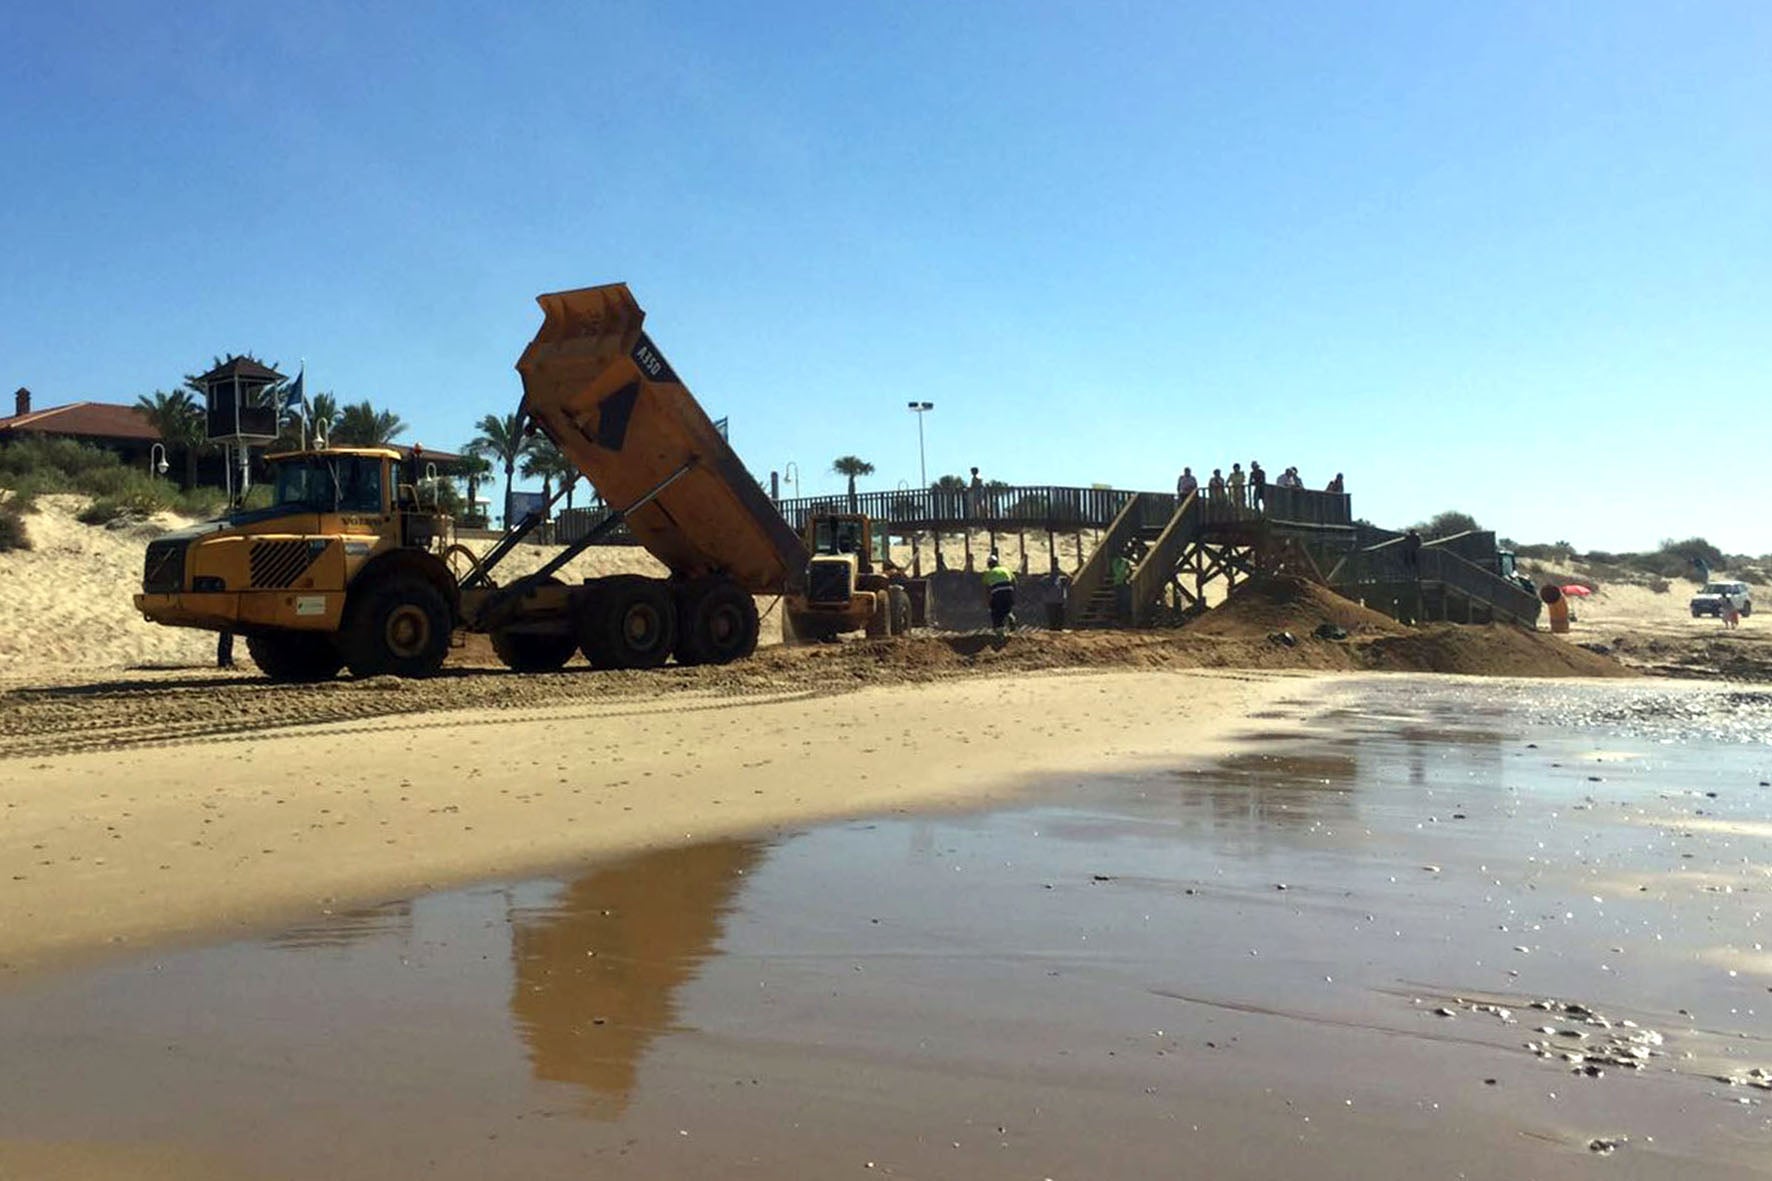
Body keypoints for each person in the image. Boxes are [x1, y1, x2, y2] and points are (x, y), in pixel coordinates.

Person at [982, 552, 1016, 633]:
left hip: (997, 593)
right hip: (1009, 591)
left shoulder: (988, 574)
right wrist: (1012, 595)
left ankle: (999, 630)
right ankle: (1010, 616)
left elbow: (986, 589)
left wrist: (988, 601)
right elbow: (1014, 582)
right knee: (1007, 608)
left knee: (996, 611)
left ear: (989, 565)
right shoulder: (1006, 569)